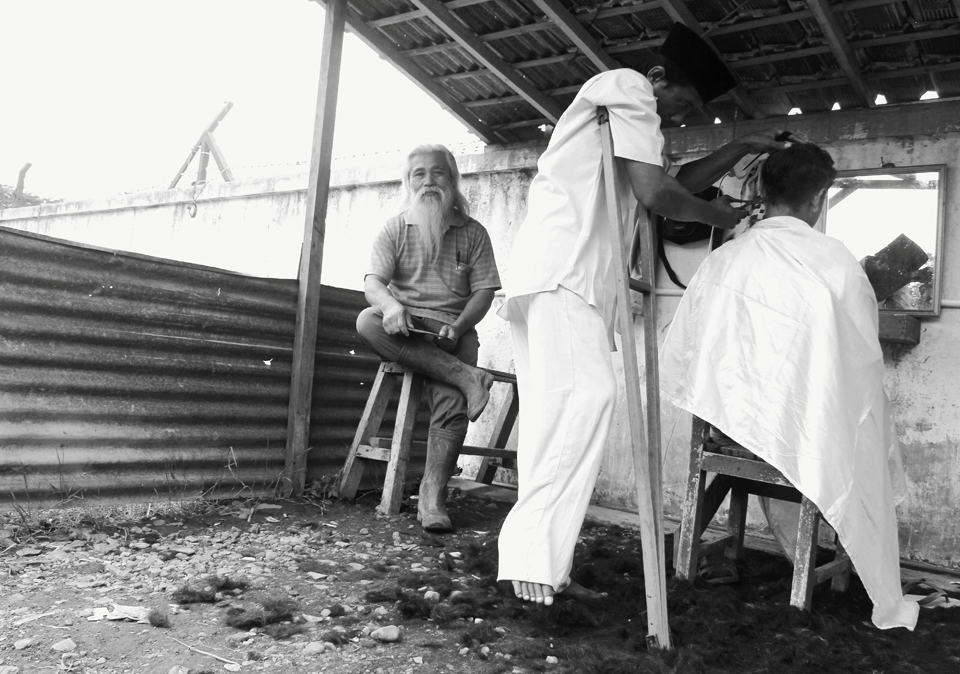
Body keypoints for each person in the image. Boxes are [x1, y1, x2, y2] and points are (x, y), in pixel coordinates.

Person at [496, 22, 789, 606]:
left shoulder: (630, 115)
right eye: (684, 101)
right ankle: (531, 559)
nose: (681, 115)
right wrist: (719, 218)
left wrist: (738, 149)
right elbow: (658, 195)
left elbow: (670, 180)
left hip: (560, 277)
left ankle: (546, 566)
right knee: (587, 398)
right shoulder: (627, 86)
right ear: (658, 78)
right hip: (564, 274)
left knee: (559, 414)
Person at [659, 143, 919, 630]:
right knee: (861, 431)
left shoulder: (725, 259)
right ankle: (842, 568)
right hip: (798, 437)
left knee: (791, 419)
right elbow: (860, 367)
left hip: (728, 429)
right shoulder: (836, 264)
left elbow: (688, 351)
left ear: (761, 191)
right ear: (819, 199)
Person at [356, 144, 502, 533]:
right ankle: (467, 376)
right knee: (366, 321)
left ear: (452, 180)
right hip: (406, 327)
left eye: (437, 173)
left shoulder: (474, 233)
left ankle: (433, 495)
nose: (428, 181)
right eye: (419, 174)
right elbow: (373, 283)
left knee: (453, 404)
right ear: (408, 182)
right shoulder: (395, 227)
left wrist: (461, 323)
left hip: (453, 330)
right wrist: (389, 307)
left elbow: (484, 292)